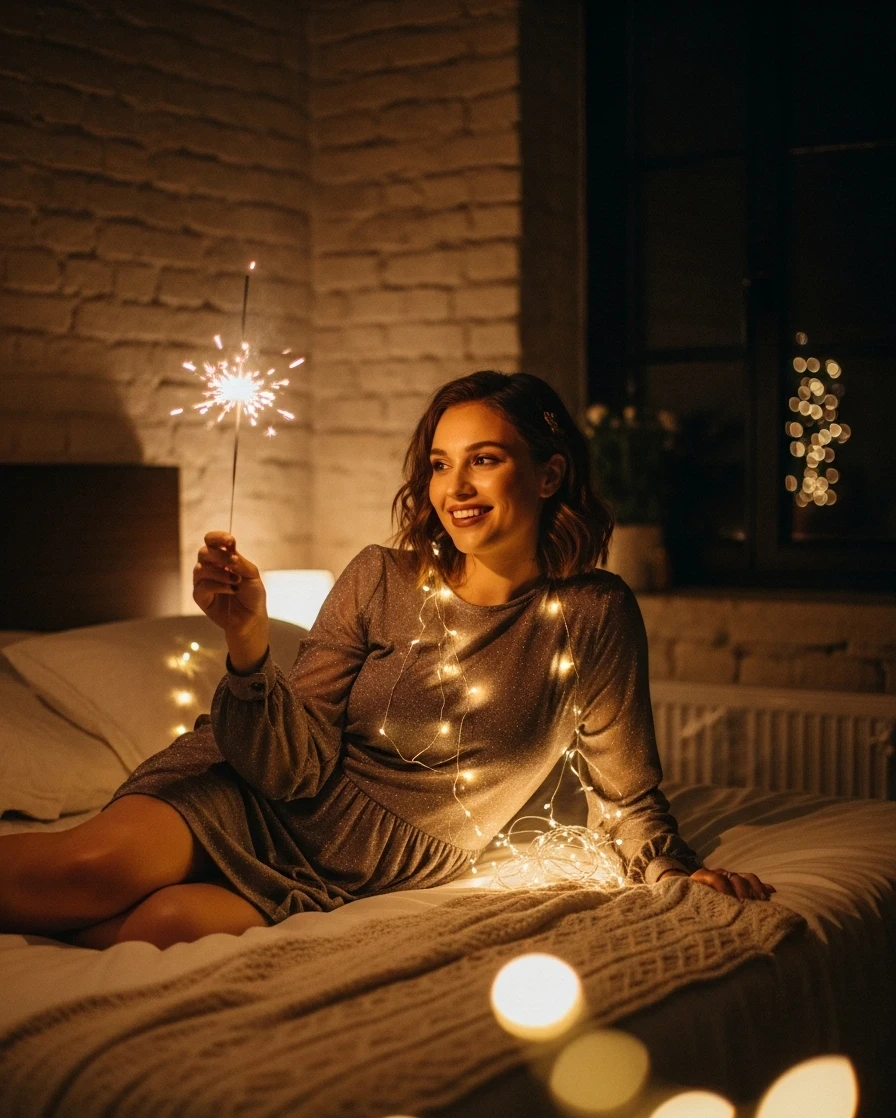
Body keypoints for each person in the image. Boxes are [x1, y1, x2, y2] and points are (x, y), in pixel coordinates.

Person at [0, 371, 775, 950]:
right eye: (439, 464)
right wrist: (247, 639)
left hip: (363, 867)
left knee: (165, 924)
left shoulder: (593, 615)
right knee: (90, 872)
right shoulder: (380, 578)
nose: (455, 487)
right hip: (252, 792)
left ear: (548, 473)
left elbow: (626, 792)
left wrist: (675, 871)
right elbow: (291, 765)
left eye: (483, 459)